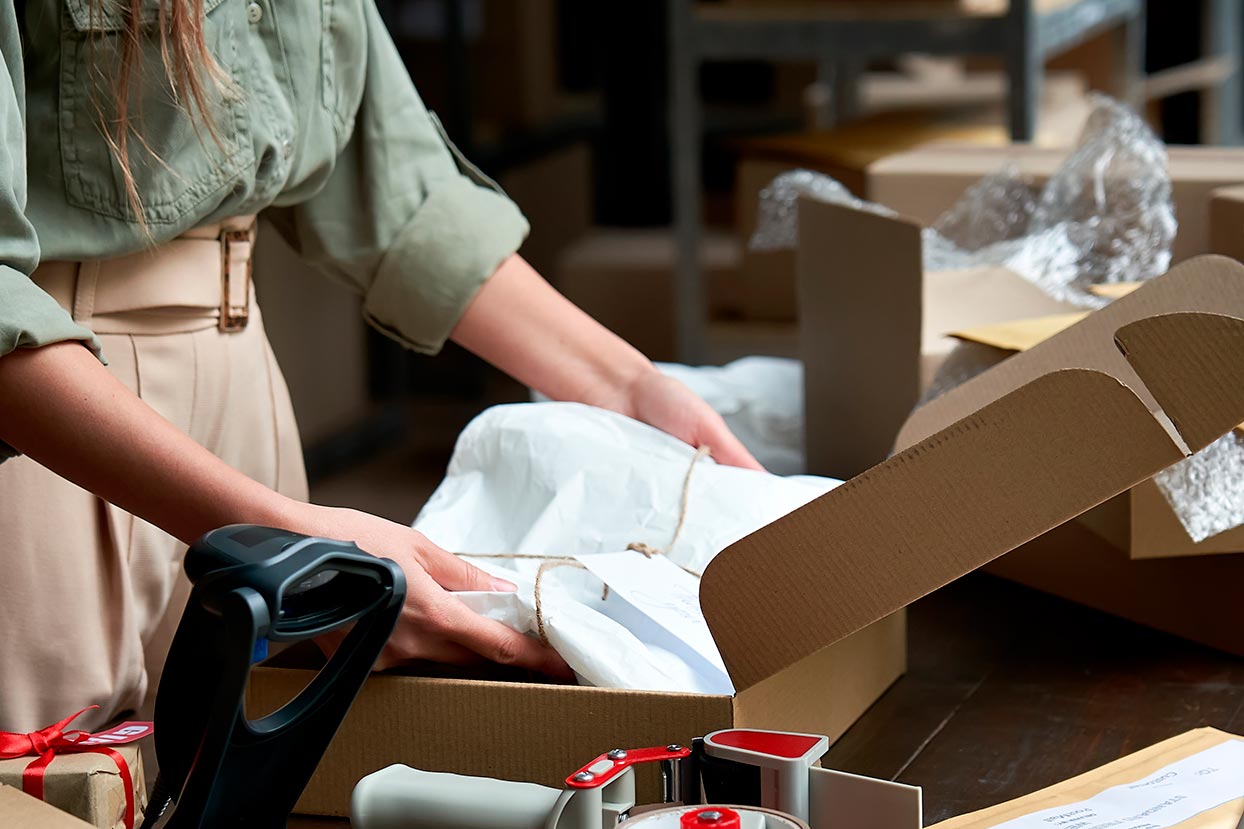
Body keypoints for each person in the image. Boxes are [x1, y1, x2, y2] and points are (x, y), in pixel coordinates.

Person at [0, 0, 762, 733]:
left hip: (243, 384)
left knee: (239, 783)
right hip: (53, 421)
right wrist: (290, 535)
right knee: (65, 790)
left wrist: (630, 383)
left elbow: (392, 188)